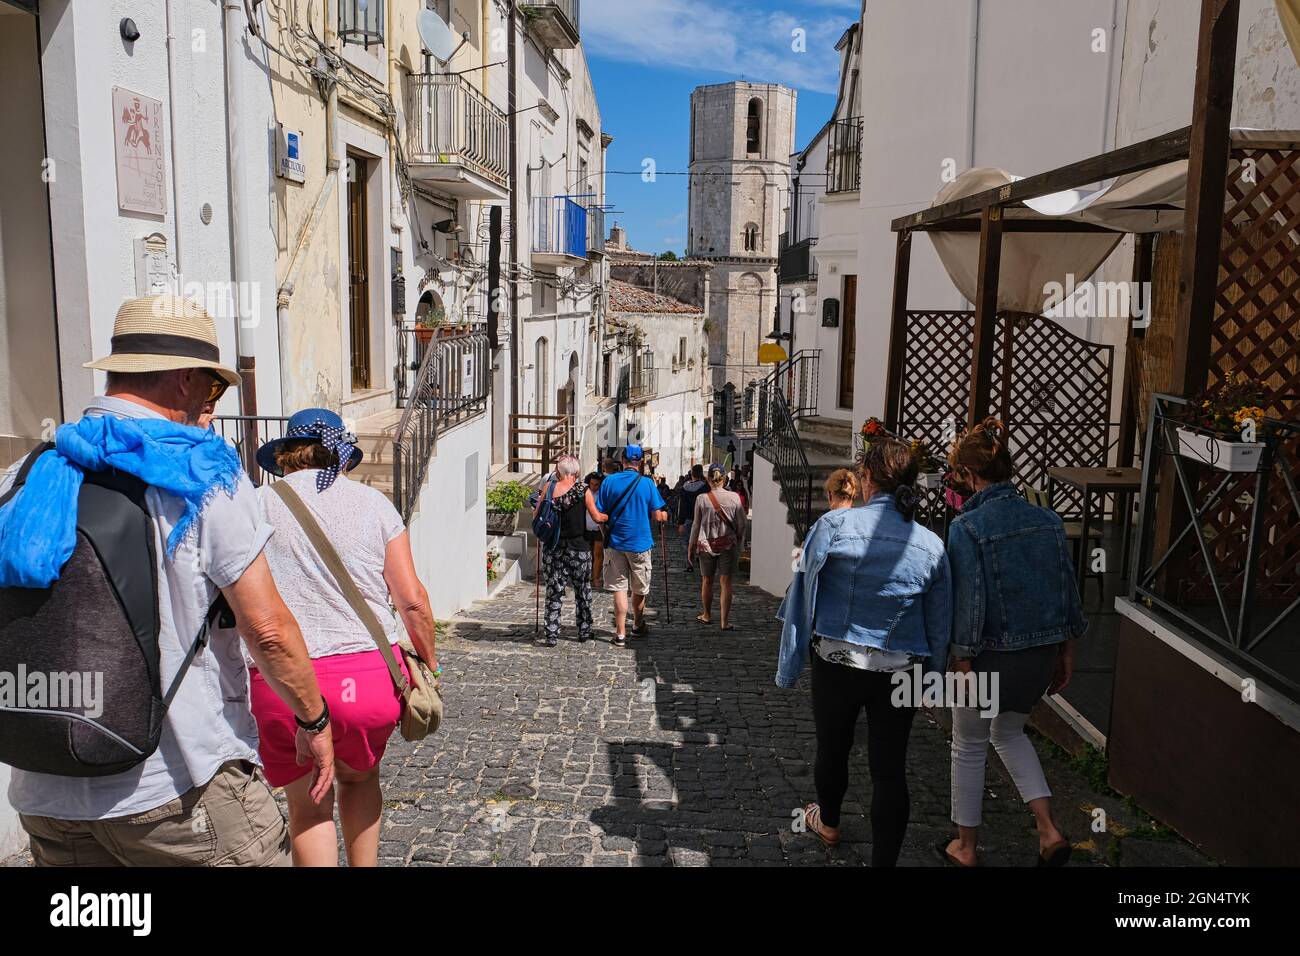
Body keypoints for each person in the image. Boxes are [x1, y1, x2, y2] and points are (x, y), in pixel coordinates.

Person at [0, 295, 333, 867]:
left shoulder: (27, 473)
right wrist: (314, 719)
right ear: (184, 380)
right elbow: (269, 630)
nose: (210, 405)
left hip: (47, 791)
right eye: (211, 390)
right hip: (178, 791)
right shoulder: (204, 479)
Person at [250, 408, 438, 867]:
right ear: (341, 455)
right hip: (367, 677)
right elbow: (411, 600)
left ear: (285, 456)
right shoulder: (373, 505)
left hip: (282, 684)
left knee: (308, 803)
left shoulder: (253, 505)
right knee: (359, 780)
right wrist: (429, 664)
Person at [775, 437, 951, 867]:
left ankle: (829, 822)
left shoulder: (833, 527)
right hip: (902, 670)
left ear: (867, 479)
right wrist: (935, 679)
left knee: (832, 748)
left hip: (838, 663)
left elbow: (803, 596)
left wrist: (790, 663)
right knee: (890, 769)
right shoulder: (932, 544)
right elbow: (941, 620)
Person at [939, 418, 1086, 868]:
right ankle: (1048, 830)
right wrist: (1065, 650)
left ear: (968, 475)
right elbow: (1066, 588)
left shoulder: (967, 527)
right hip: (1038, 657)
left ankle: (966, 847)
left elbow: (968, 600)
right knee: (1010, 733)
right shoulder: (1047, 520)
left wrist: (961, 660)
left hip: (989, 657)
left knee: (969, 745)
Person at [594, 445, 668, 647]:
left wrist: (605, 533)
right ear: (640, 462)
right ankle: (637, 624)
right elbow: (657, 515)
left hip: (615, 543)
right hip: (640, 544)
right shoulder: (647, 484)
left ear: (623, 461)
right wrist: (664, 516)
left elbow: (600, 515)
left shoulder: (608, 482)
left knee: (619, 588)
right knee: (639, 588)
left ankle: (620, 633)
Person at [534, 455, 604, 647]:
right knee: (583, 590)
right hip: (579, 548)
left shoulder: (548, 488)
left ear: (559, 472)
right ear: (577, 473)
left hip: (553, 548)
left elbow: (536, 514)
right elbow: (596, 517)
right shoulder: (583, 490)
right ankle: (584, 630)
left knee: (553, 592)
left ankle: (551, 634)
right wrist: (608, 517)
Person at [688, 464, 747, 631]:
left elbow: (696, 525)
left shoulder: (702, 499)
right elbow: (742, 523)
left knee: (707, 580)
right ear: (724, 479)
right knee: (726, 582)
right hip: (728, 544)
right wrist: (739, 539)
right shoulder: (734, 497)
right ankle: (724, 621)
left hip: (706, 544)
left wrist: (691, 545)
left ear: (708, 479)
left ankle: (706, 615)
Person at [677, 465, 708, 573]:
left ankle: (689, 563)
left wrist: (680, 522)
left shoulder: (684, 488)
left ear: (691, 474)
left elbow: (682, 507)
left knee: (686, 542)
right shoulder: (705, 487)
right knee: (702, 541)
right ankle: (701, 562)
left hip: (688, 519)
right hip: (702, 518)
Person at [585, 472, 605, 589]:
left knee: (597, 554)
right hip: (586, 527)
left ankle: (596, 577)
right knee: (587, 554)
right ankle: (587, 576)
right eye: (591, 484)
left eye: (596, 484)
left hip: (598, 527)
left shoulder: (603, 495)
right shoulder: (585, 493)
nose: (593, 486)